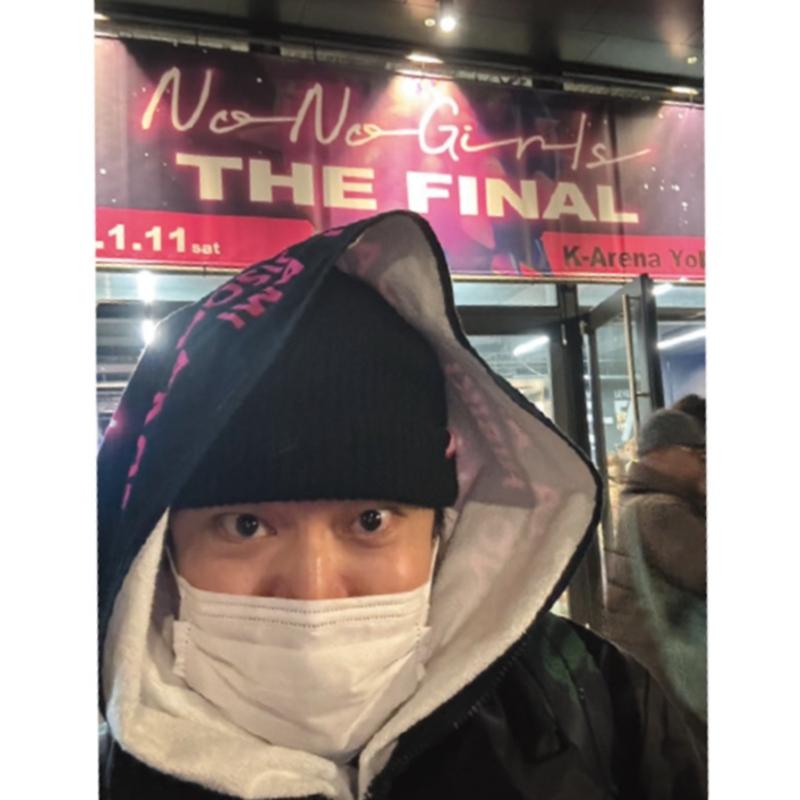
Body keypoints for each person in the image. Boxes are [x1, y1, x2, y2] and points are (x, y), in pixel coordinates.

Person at [98, 211, 704, 799]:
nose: (314, 590)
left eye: (371, 521)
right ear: (165, 549)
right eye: (246, 525)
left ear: (441, 528)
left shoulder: (600, 707)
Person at [600, 408, 707, 770]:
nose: (703, 464)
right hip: (675, 679)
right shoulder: (659, 511)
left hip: (653, 679)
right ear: (663, 453)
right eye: (696, 454)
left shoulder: (637, 504)